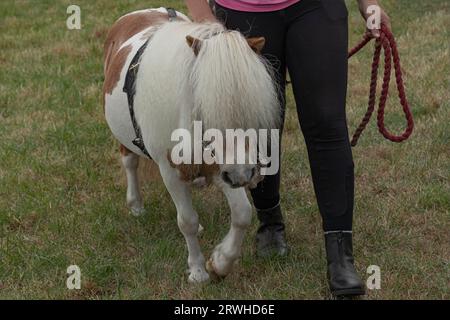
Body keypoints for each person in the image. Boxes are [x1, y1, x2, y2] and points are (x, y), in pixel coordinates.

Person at [185, 0, 391, 297]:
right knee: (261, 124)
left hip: (316, 9)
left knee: (327, 123)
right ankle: (269, 219)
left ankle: (340, 255)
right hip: (241, 11)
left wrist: (369, 4)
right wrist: (204, 17)